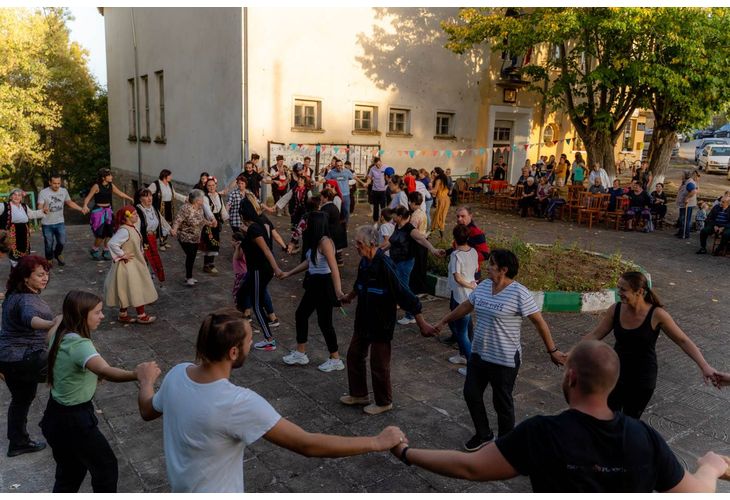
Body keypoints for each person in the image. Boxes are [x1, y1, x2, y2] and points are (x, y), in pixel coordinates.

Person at [387, 340, 730, 493]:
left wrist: (405, 451)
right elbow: (697, 492)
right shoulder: (645, 438)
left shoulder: (542, 433)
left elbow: (469, 466)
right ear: (611, 384)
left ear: (571, 378)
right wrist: (712, 466)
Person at [135, 309, 405, 493]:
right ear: (233, 352)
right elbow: (306, 444)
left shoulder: (176, 374)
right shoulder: (237, 403)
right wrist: (376, 442)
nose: (251, 345)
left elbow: (148, 410)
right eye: (249, 341)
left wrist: (146, 381)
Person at [427, 249, 566, 451]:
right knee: (471, 394)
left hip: (504, 359)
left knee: (502, 402)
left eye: (491, 264)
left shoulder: (519, 292)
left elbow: (539, 323)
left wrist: (552, 350)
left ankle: (506, 444)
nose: (487, 266)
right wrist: (443, 321)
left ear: (503, 270)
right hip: (479, 354)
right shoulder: (483, 286)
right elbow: (467, 305)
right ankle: (484, 434)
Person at [41, 290, 158, 492]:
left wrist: (61, 317)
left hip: (55, 416)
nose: (102, 316)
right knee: (106, 468)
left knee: (70, 472)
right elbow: (105, 370)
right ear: (80, 315)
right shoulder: (80, 345)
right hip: (74, 421)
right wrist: (138, 374)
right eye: (97, 312)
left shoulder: (60, 333)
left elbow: (53, 330)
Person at [582, 271, 718, 419]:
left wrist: (704, 366)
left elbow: (683, 340)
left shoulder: (657, 314)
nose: (618, 292)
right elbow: (596, 334)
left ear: (639, 291)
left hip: (642, 379)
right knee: (606, 417)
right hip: (615, 373)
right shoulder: (616, 309)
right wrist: (575, 353)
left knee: (630, 421)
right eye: (618, 288)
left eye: (623, 289)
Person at [339, 226, 429, 415]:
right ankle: (359, 394)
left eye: (359, 243)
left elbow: (404, 293)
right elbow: (359, 284)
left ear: (372, 244)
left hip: (381, 321)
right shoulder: (364, 262)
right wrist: (349, 296)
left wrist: (421, 322)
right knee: (354, 355)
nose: (355, 246)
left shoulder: (386, 265)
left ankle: (384, 401)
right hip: (363, 318)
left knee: (379, 363)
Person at [0, 256, 58, 457]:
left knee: (21, 399)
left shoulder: (13, 295)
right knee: (67, 377)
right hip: (26, 358)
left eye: (46, 274)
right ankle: (52, 425)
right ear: (26, 278)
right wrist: (52, 324)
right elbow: (30, 318)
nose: (45, 278)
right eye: (40, 275)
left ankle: (18, 442)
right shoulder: (26, 300)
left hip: (8, 359)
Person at [279, 212, 346, 372]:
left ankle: (335, 358)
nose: (304, 226)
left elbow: (334, 268)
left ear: (316, 224)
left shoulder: (325, 242)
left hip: (324, 284)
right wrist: (288, 273)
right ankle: (301, 352)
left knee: (324, 322)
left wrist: (338, 291)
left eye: (307, 223)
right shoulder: (316, 241)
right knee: (301, 315)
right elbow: (310, 262)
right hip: (315, 284)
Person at [236, 198, 285, 351]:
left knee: (256, 304)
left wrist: (276, 268)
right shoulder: (255, 226)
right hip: (255, 270)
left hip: (259, 270)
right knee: (242, 294)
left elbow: (266, 251)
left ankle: (269, 339)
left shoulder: (254, 229)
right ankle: (239, 329)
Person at [381, 206, 444, 325]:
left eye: (394, 215)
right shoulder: (397, 226)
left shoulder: (409, 229)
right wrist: (380, 251)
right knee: (399, 287)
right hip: (397, 261)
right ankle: (404, 309)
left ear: (399, 217)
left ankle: (411, 314)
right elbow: (392, 241)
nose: (392, 217)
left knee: (404, 288)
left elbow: (422, 239)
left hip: (406, 262)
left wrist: (433, 249)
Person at [104, 206, 158, 324]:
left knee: (126, 288)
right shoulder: (124, 230)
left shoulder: (131, 227)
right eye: (134, 214)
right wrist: (123, 255)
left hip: (134, 262)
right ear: (126, 217)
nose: (136, 215)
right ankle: (141, 315)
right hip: (128, 264)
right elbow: (112, 243)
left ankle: (123, 314)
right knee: (136, 287)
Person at [445, 224, 477, 375]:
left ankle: (472, 366)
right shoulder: (473, 252)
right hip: (465, 294)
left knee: (462, 331)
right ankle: (462, 355)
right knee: (456, 325)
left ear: (454, 238)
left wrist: (469, 285)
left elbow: (457, 277)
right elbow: (476, 270)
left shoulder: (456, 254)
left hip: (461, 295)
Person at [82, 168, 134, 261]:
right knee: (100, 234)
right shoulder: (96, 186)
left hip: (108, 211)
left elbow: (120, 193)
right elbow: (88, 197)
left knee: (109, 233)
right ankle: (94, 249)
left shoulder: (111, 185)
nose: (111, 177)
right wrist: (85, 205)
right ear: (103, 177)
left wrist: (130, 198)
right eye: (109, 175)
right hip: (98, 212)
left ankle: (106, 251)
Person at [37, 174, 88, 266]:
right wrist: (42, 209)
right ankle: (48, 258)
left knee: (62, 241)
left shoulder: (64, 191)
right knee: (49, 243)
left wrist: (81, 209)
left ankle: (57, 254)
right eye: (54, 183)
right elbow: (39, 206)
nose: (56, 185)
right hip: (47, 223)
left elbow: (69, 202)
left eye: (58, 183)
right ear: (50, 183)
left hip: (60, 221)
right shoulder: (43, 192)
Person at [171, 189, 217, 286]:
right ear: (197, 200)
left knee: (192, 256)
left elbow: (201, 220)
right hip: (185, 236)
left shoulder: (199, 208)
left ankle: (189, 276)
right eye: (202, 199)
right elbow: (178, 220)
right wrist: (174, 229)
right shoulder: (185, 208)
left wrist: (210, 223)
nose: (203, 201)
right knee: (191, 256)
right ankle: (189, 277)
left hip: (196, 237)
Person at [0, 188, 47, 265]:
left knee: (24, 254)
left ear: (21, 198)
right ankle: (15, 273)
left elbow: (32, 214)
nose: (17, 197)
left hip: (24, 234)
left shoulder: (24, 206)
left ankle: (21, 272)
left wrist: (42, 211)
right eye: (14, 195)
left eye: (19, 195)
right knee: (13, 256)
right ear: (11, 197)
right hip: (11, 234)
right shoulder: (4, 206)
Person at [134, 188, 170, 284]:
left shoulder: (153, 208)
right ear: (140, 199)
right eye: (146, 196)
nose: (149, 198)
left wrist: (170, 230)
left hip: (153, 237)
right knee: (145, 256)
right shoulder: (137, 210)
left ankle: (153, 275)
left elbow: (161, 220)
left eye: (150, 195)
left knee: (154, 256)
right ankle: (146, 276)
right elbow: (135, 227)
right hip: (143, 238)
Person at [148, 169, 187, 249]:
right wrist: (149, 203)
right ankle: (161, 243)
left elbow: (174, 194)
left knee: (168, 223)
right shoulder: (155, 184)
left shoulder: (169, 184)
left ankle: (165, 241)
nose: (171, 177)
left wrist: (185, 198)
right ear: (165, 176)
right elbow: (147, 193)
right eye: (170, 175)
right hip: (160, 207)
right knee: (162, 224)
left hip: (169, 206)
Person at [201, 177, 229, 274]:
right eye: (209, 185)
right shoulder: (205, 197)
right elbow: (207, 210)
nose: (211, 187)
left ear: (216, 185)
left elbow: (222, 209)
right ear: (206, 186)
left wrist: (225, 218)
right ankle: (207, 265)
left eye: (213, 185)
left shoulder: (218, 196)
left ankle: (211, 263)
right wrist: (212, 219)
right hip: (209, 223)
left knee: (215, 242)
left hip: (217, 221)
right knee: (209, 242)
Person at [676, 170, 699, 239]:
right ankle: (681, 231)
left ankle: (685, 234)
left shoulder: (689, 182)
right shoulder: (685, 181)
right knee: (682, 218)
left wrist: (687, 197)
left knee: (685, 219)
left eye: (682, 175)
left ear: (686, 175)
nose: (681, 176)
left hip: (687, 204)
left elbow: (694, 191)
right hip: (683, 204)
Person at [431, 167, 451, 238]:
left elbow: (435, 191)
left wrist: (424, 190)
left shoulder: (438, 180)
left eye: (434, 172)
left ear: (437, 173)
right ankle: (432, 231)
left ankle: (440, 235)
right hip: (445, 199)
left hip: (442, 200)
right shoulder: (442, 178)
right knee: (437, 215)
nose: (433, 173)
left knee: (440, 216)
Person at [366, 157, 388, 222]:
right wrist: (367, 183)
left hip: (383, 191)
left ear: (381, 161)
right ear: (375, 164)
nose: (378, 166)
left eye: (379, 164)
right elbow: (369, 178)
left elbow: (390, 176)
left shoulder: (386, 167)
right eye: (376, 165)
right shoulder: (372, 169)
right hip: (375, 191)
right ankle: (375, 222)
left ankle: (383, 221)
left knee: (383, 207)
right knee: (375, 208)